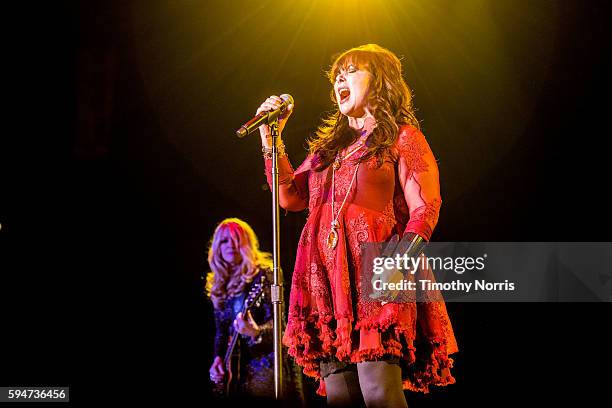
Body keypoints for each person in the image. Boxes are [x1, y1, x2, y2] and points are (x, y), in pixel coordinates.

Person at [257, 44, 458, 407]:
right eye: (336, 75)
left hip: (378, 268)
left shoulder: (402, 137)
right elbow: (287, 197)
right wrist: (271, 139)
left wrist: (398, 261)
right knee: (340, 394)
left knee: (379, 388)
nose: (339, 79)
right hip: (326, 279)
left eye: (350, 71)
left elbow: (425, 206)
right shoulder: (326, 153)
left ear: (380, 83)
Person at [206, 218, 303, 402]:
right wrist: (218, 359)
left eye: (237, 240)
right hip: (238, 374)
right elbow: (221, 332)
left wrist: (255, 332)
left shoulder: (264, 275)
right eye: (225, 240)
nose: (231, 245)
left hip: (268, 367)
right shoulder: (220, 285)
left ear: (247, 244)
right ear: (217, 246)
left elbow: (282, 327)